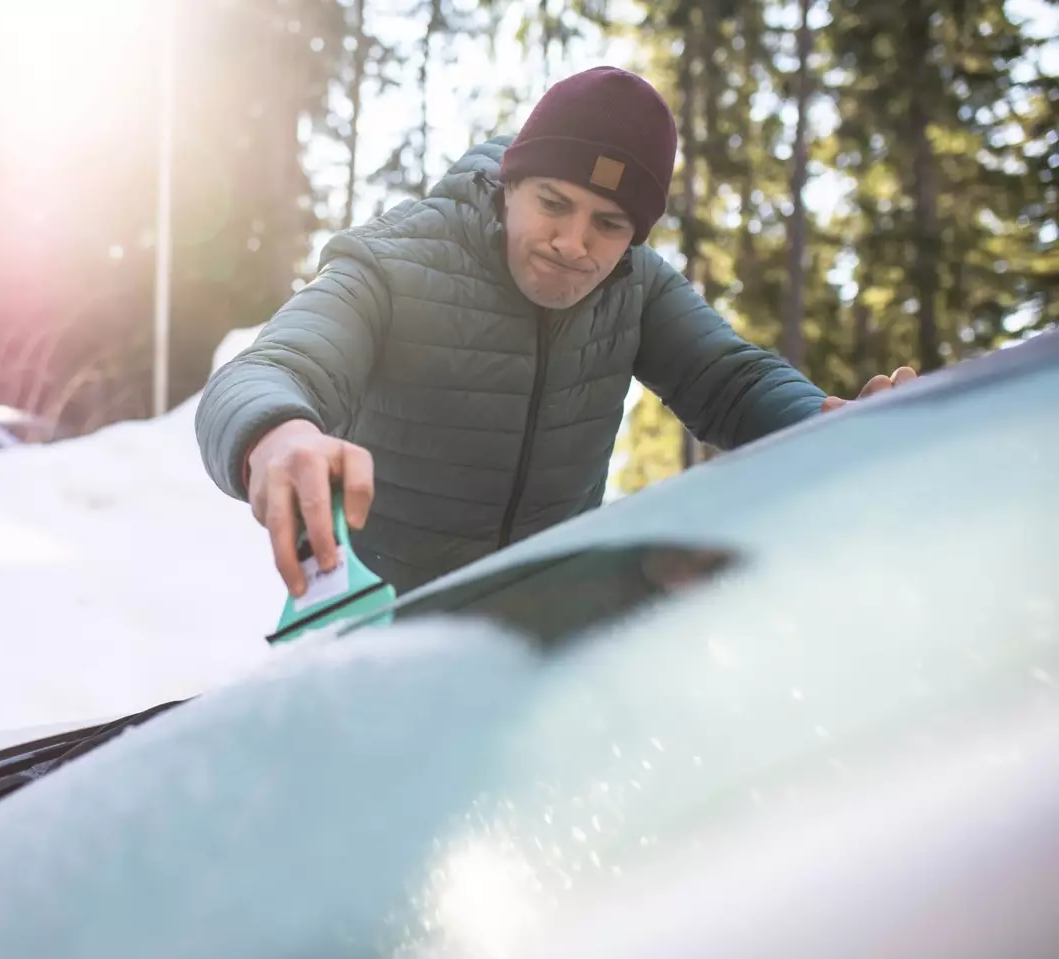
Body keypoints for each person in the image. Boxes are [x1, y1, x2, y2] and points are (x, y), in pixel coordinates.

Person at [195, 65, 916, 598]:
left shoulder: (636, 287)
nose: (573, 243)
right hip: (379, 629)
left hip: (538, 626)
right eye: (553, 203)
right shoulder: (396, 259)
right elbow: (274, 366)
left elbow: (731, 380)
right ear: (509, 184)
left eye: (608, 224)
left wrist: (828, 422)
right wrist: (278, 434)